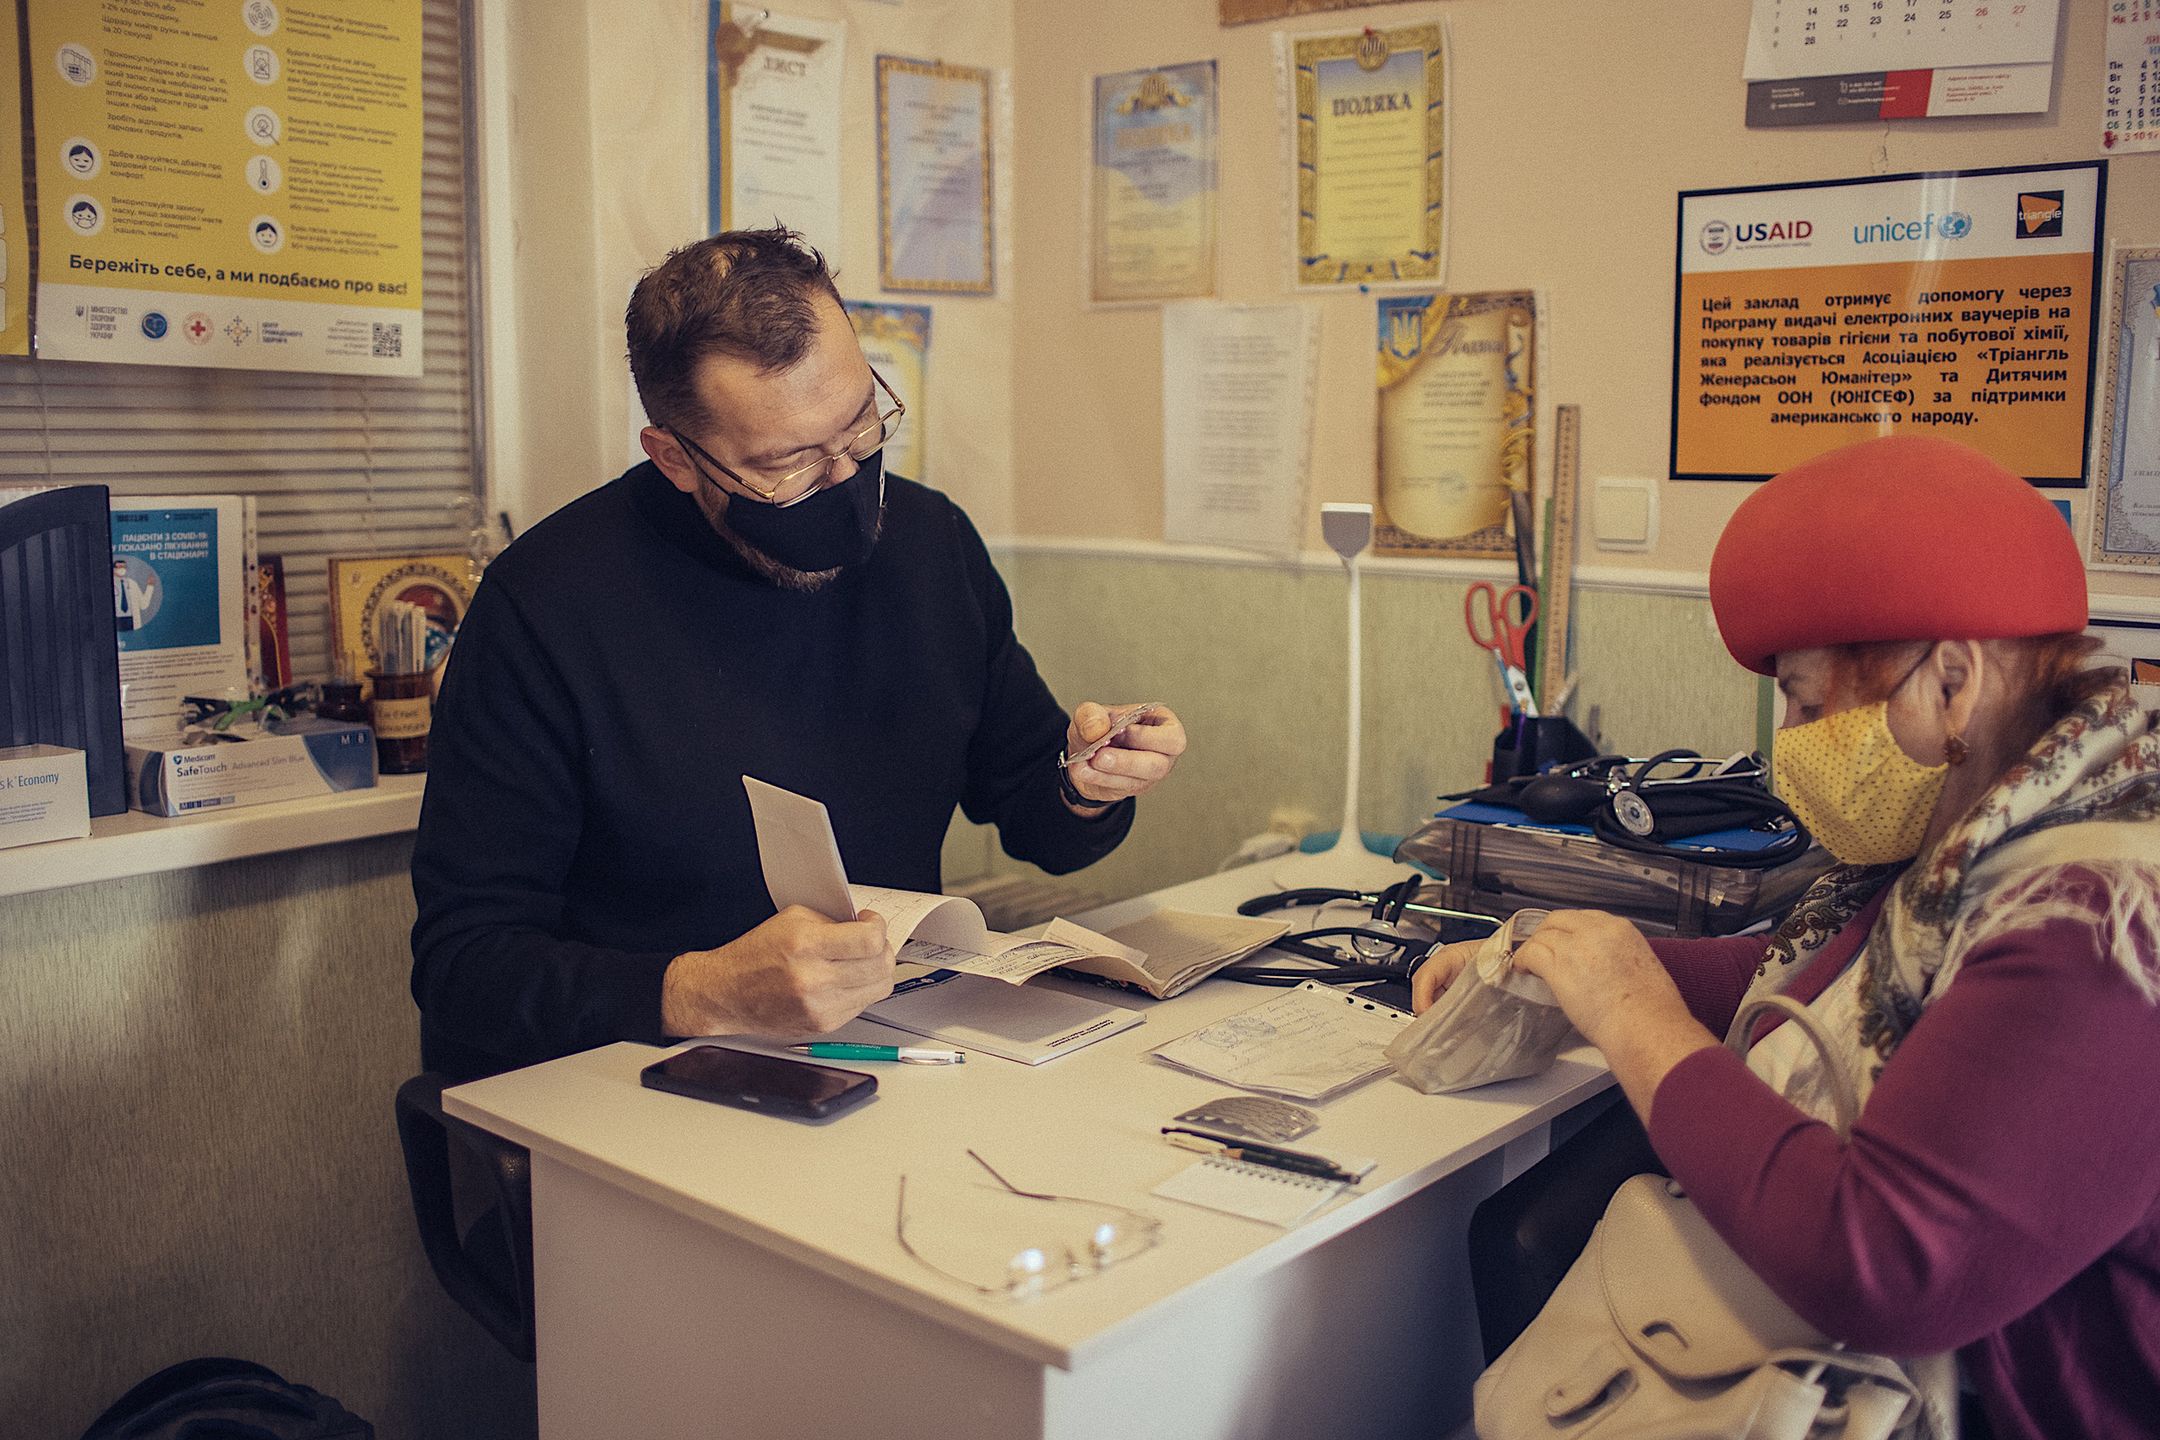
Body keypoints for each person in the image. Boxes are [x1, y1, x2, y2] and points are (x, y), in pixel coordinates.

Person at [1414, 435, 2160, 1439]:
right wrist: (1566, 961)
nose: (1793, 740)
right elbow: (1802, 978)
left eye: (1808, 703)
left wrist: (1637, 1019)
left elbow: (1886, 1267)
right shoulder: (1989, 832)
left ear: (1950, 680)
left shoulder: (2096, 927)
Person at [410, 226, 1185, 1082]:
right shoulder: (546, 604)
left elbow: (1041, 818)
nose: (846, 481)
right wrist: (702, 989)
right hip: (626, 1091)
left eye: (860, 427)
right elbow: (463, 969)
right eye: (789, 467)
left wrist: (1086, 782)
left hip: (881, 1060)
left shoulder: (929, 546)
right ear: (674, 456)